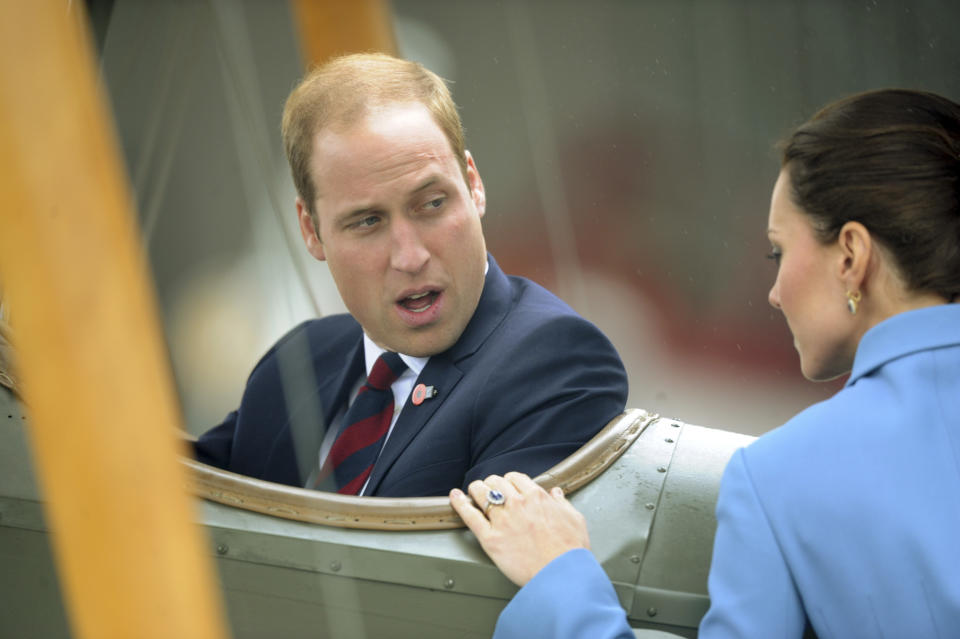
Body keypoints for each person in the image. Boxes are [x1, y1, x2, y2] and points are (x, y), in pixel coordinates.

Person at [450, 88, 960, 637]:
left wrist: (559, 579)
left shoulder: (781, 476)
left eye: (778, 252)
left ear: (853, 256)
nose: (774, 293)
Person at [194, 53, 628, 497]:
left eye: (432, 204)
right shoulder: (299, 362)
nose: (410, 255)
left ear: (473, 184)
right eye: (367, 222)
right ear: (312, 231)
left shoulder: (555, 363)